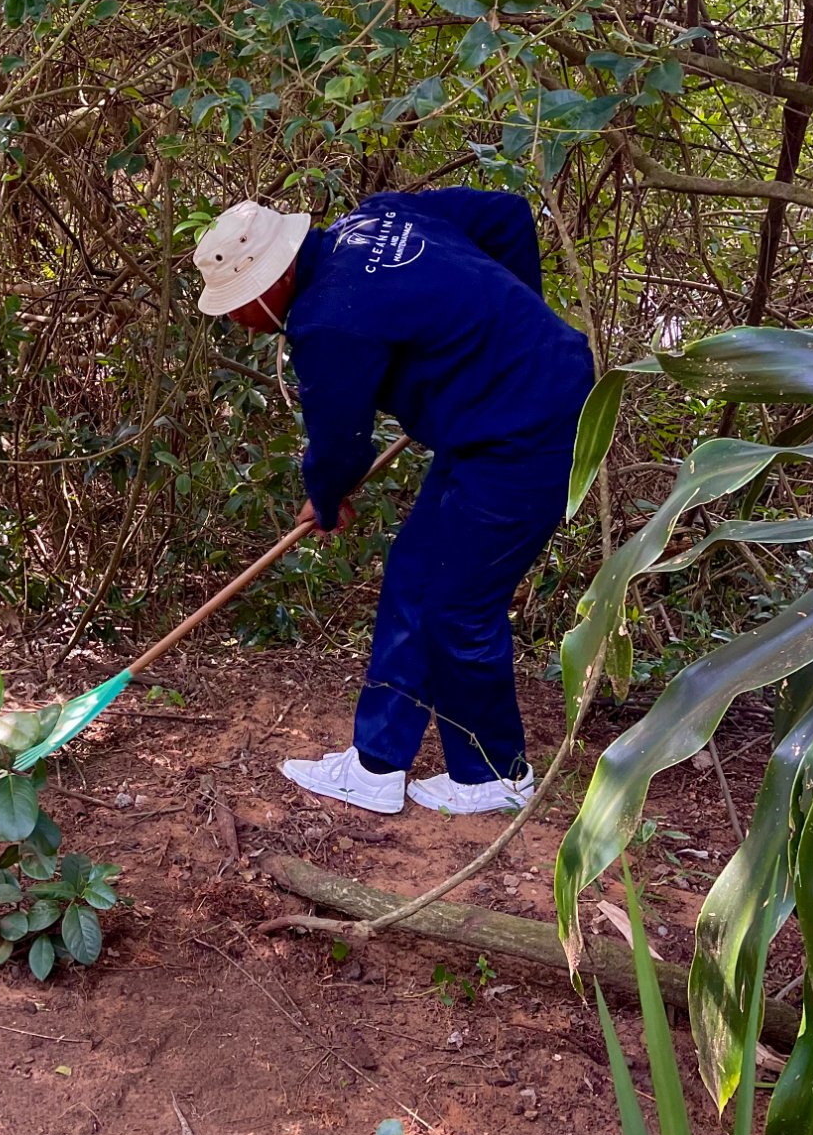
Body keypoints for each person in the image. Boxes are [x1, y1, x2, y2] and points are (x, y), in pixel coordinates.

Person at [193, 188, 593, 816]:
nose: (239, 321)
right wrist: (506, 335)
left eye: (238, 306)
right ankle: (376, 763)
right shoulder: (381, 216)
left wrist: (327, 498)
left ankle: (494, 774)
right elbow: (508, 215)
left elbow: (340, 445)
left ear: (271, 281)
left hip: (531, 429)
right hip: (490, 424)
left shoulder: (326, 320)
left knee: (457, 605)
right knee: (414, 573)